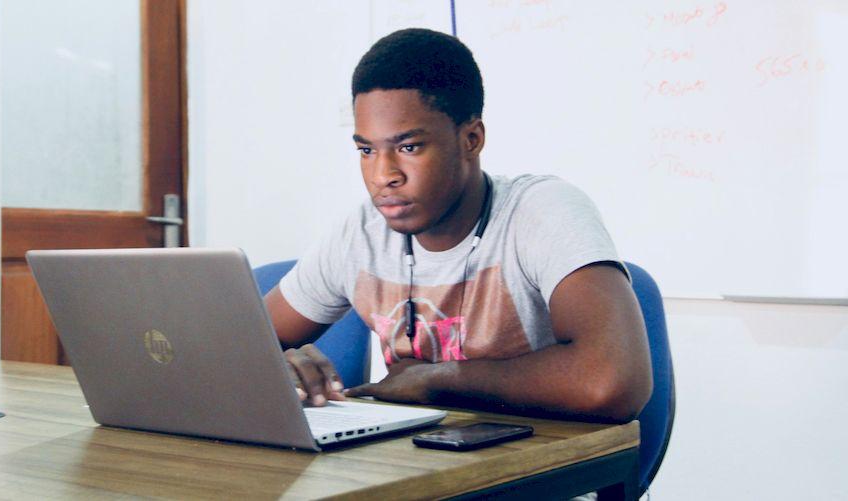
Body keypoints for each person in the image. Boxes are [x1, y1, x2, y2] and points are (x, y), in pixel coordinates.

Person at [265, 28, 652, 423]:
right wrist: (282, 365)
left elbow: (612, 382)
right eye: (366, 150)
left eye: (408, 147)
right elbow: (233, 348)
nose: (383, 175)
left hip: (543, 473)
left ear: (471, 139)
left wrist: (440, 379)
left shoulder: (541, 211)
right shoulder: (362, 232)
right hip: (413, 468)